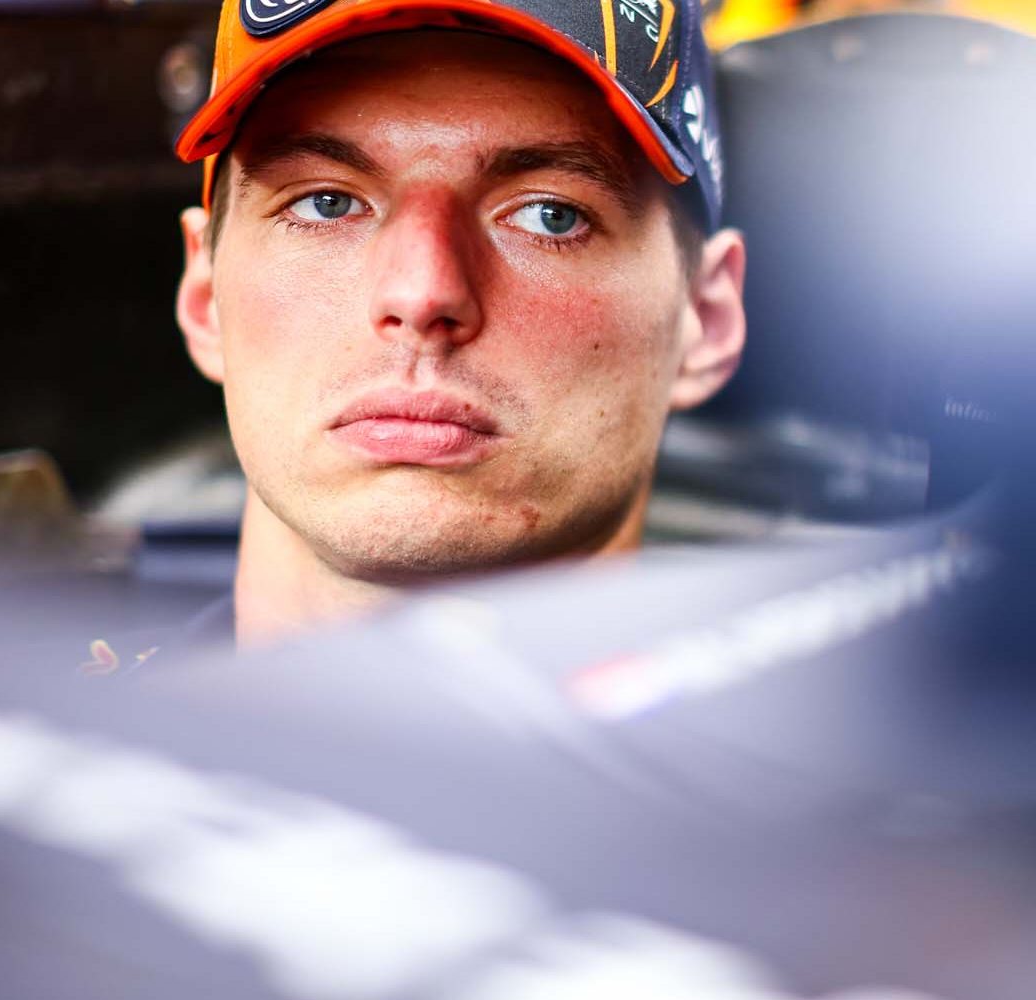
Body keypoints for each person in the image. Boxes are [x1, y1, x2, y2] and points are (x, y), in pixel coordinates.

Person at [167, 0, 747, 646]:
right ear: (205, 297)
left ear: (706, 318)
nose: (422, 294)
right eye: (325, 204)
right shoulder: (40, 742)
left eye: (551, 216)